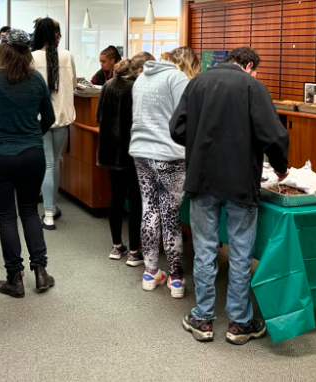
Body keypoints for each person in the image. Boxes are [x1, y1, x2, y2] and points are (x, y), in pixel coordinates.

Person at [170, 47, 289, 345]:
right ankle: (239, 322)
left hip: (202, 178)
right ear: (249, 65)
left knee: (206, 249)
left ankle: (202, 318)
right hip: (240, 181)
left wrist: (199, 142)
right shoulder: (252, 86)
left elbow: (177, 129)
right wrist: (281, 168)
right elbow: (273, 135)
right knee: (239, 253)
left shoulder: (197, 82)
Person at [0, 29, 56, 298]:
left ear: (3, 50)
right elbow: (50, 119)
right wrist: (30, 135)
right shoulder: (37, 79)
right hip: (32, 154)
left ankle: (14, 278)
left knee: (7, 217)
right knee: (30, 211)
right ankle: (41, 273)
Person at [129, 47, 201, 299]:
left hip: (141, 152)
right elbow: (189, 118)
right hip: (169, 155)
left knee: (149, 209)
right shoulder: (176, 78)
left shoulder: (142, 77)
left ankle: (150, 272)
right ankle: (176, 277)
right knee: (171, 216)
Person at [96, 52, 155, 266]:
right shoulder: (138, 88)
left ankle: (116, 245)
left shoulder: (108, 85)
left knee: (117, 197)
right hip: (133, 152)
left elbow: (98, 117)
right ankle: (133, 250)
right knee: (136, 200)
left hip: (110, 151)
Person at [32, 18, 76, 230]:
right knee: (54, 162)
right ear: (56, 34)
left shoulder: (31, 58)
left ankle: (48, 214)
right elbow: (74, 84)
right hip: (62, 118)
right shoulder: (67, 56)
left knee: (48, 163)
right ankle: (52, 207)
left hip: (38, 120)